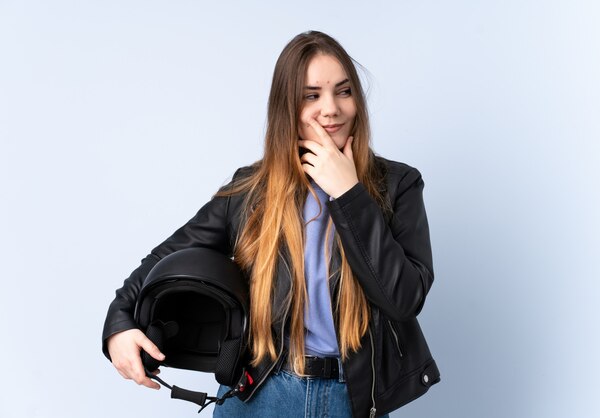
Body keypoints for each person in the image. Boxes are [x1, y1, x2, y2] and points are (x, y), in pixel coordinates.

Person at [102, 30, 440, 418]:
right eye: (311, 95)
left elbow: (404, 298)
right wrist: (119, 325)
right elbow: (164, 258)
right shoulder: (252, 189)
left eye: (343, 92)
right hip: (260, 393)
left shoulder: (398, 185)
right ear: (287, 107)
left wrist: (348, 193)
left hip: (352, 397)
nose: (331, 109)